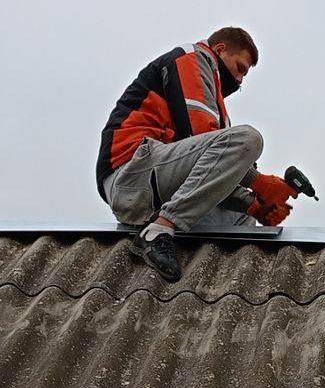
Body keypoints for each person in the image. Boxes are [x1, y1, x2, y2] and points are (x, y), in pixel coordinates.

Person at [96, 27, 297, 282]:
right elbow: (200, 133)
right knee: (248, 139)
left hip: (156, 188)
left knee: (241, 222)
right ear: (220, 50)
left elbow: (210, 171)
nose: (239, 80)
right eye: (239, 68)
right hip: (131, 174)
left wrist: (255, 207)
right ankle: (157, 232)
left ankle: (214, 287)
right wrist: (259, 182)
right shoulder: (192, 58)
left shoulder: (216, 105)